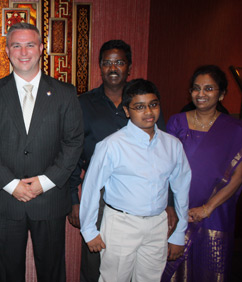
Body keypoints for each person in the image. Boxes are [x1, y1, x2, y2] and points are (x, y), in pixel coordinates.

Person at [0, 23, 83, 282]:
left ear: (41, 48)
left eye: (30, 44)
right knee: (9, 274)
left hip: (49, 199)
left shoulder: (65, 93)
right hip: (5, 200)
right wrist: (12, 185)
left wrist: (43, 183)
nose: (23, 52)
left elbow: (73, 143)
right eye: (16, 45)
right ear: (7, 51)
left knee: (52, 273)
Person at [67, 39, 178, 282]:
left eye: (119, 62)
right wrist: (74, 200)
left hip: (141, 195)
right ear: (100, 66)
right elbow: (73, 152)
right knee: (95, 260)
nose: (113, 68)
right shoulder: (83, 104)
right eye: (107, 63)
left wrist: (169, 202)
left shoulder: (145, 103)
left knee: (142, 267)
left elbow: (162, 158)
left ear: (129, 66)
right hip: (97, 193)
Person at [80, 78, 191, 282]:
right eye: (139, 107)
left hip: (157, 224)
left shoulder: (172, 145)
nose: (148, 112)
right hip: (121, 224)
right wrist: (89, 230)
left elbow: (182, 189)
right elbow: (91, 188)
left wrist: (178, 233)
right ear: (127, 111)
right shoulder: (111, 145)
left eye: (153, 104)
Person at [162, 65, 242, 281]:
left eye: (209, 89)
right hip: (180, 209)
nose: (201, 94)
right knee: (174, 267)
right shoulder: (176, 121)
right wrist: (172, 206)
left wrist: (208, 208)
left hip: (216, 212)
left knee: (210, 267)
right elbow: (166, 167)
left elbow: (238, 176)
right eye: (196, 88)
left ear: (222, 94)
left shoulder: (235, 129)